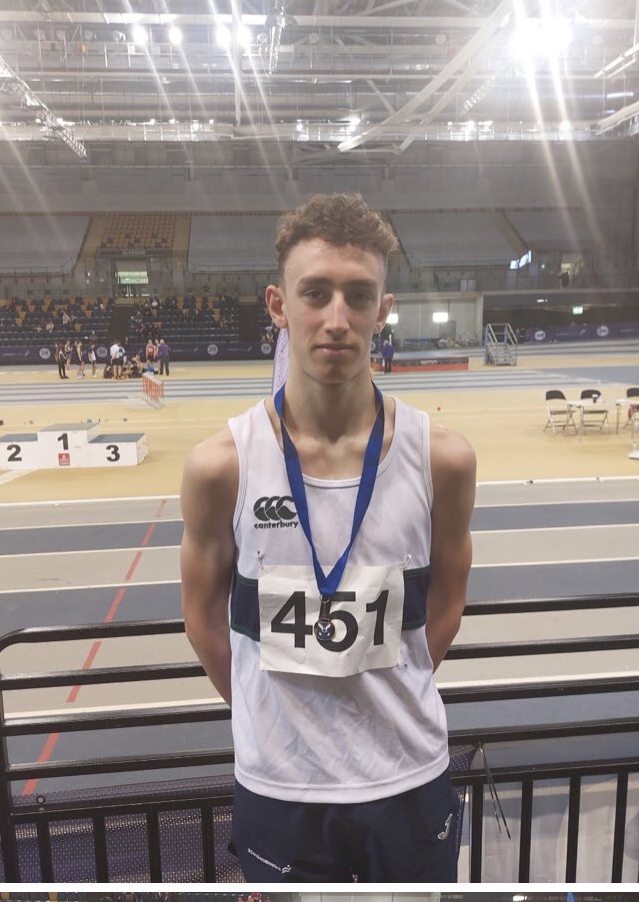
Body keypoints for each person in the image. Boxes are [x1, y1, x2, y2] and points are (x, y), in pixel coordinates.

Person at [180, 193, 476, 883]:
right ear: (280, 305)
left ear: (384, 308)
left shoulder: (444, 459)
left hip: (408, 776)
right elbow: (201, 621)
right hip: (280, 788)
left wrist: (376, 684)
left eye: (358, 295)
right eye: (315, 293)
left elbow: (448, 606)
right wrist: (273, 714)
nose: (337, 319)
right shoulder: (220, 465)